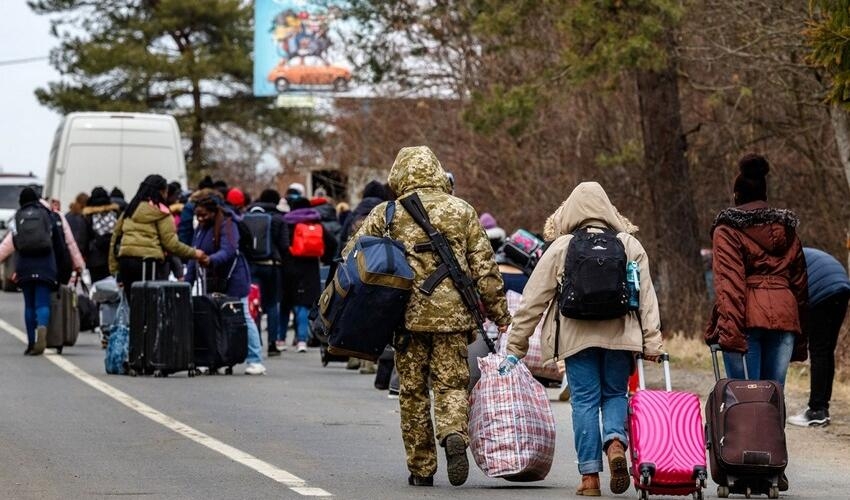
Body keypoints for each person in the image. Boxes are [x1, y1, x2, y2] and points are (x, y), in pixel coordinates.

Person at [343, 146, 510, 488]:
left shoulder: (386, 213)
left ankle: (421, 467)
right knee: (451, 383)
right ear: (436, 171)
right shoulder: (462, 210)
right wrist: (500, 314)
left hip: (403, 316)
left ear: (399, 174)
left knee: (413, 391)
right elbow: (485, 270)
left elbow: (352, 255)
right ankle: (452, 433)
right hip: (452, 318)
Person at [502, 182, 663, 496]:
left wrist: (516, 346)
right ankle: (615, 442)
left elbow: (532, 300)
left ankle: (590, 478)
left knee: (585, 402)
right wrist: (652, 341)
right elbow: (647, 298)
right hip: (621, 334)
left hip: (577, 336)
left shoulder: (562, 247)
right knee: (615, 394)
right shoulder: (629, 244)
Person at [705, 154, 808, 387]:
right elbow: (800, 286)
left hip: (746, 319)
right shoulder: (789, 231)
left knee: (745, 399)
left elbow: (729, 285)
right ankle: (774, 425)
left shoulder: (727, 231)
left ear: (737, 197)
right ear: (764, 196)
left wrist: (730, 335)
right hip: (785, 317)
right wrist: (801, 335)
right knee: (773, 396)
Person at [185, 192, 266, 376]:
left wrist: (210, 260)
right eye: (197, 215)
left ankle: (255, 360)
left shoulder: (228, 224)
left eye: (203, 214)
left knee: (243, 315)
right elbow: (194, 255)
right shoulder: (202, 228)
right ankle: (217, 358)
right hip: (214, 279)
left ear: (214, 212)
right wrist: (187, 282)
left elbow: (228, 250)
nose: (200, 218)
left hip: (234, 278)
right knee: (214, 318)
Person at [0, 188, 72, 354]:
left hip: (25, 265)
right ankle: (42, 329)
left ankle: (32, 343)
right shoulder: (48, 216)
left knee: (29, 305)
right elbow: (59, 244)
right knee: (42, 302)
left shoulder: (18, 217)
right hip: (45, 265)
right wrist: (62, 268)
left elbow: (14, 242)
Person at [788, 247, 850, 427]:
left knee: (818, 351)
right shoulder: (800, 252)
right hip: (842, 287)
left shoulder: (784, 259)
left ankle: (815, 411)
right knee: (826, 351)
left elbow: (793, 298)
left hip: (822, 292)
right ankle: (822, 408)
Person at [109, 175, 204, 291]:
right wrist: (194, 253)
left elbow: (115, 239)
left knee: (134, 306)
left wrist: (115, 270)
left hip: (125, 262)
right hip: (148, 263)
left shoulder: (130, 209)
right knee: (150, 305)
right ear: (161, 191)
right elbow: (171, 244)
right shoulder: (161, 212)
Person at [281, 196, 337, 352]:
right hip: (310, 267)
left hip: (289, 266)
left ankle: (279, 339)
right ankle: (302, 340)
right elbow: (331, 242)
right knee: (303, 305)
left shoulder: (287, 223)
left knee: (286, 303)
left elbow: (281, 244)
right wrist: (325, 258)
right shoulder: (315, 222)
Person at [245, 189, 290, 357]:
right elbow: (285, 245)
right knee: (272, 304)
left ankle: (256, 341)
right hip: (272, 266)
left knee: (254, 304)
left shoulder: (247, 217)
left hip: (252, 265)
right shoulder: (279, 219)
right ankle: (272, 343)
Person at [83, 187, 121, 283]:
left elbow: (85, 239)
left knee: (97, 292)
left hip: (95, 260)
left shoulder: (88, 217)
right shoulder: (116, 214)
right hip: (112, 258)